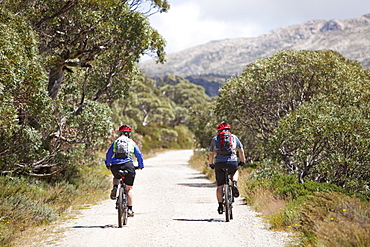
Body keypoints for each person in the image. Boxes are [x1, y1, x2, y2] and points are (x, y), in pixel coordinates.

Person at [105, 125, 144, 217]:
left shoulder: (116, 142)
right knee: (129, 188)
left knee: (116, 176)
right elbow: (139, 155)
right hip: (128, 165)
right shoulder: (131, 142)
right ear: (128, 134)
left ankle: (115, 187)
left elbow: (108, 154)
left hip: (116, 166)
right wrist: (140, 165)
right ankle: (130, 209)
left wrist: (108, 163)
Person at [209, 122, 245, 214]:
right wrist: (242, 161)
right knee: (235, 170)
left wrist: (211, 163)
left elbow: (211, 153)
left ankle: (220, 205)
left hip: (220, 163)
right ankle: (234, 183)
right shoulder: (234, 137)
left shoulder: (215, 139)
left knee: (220, 186)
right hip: (232, 162)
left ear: (218, 131)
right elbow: (241, 150)